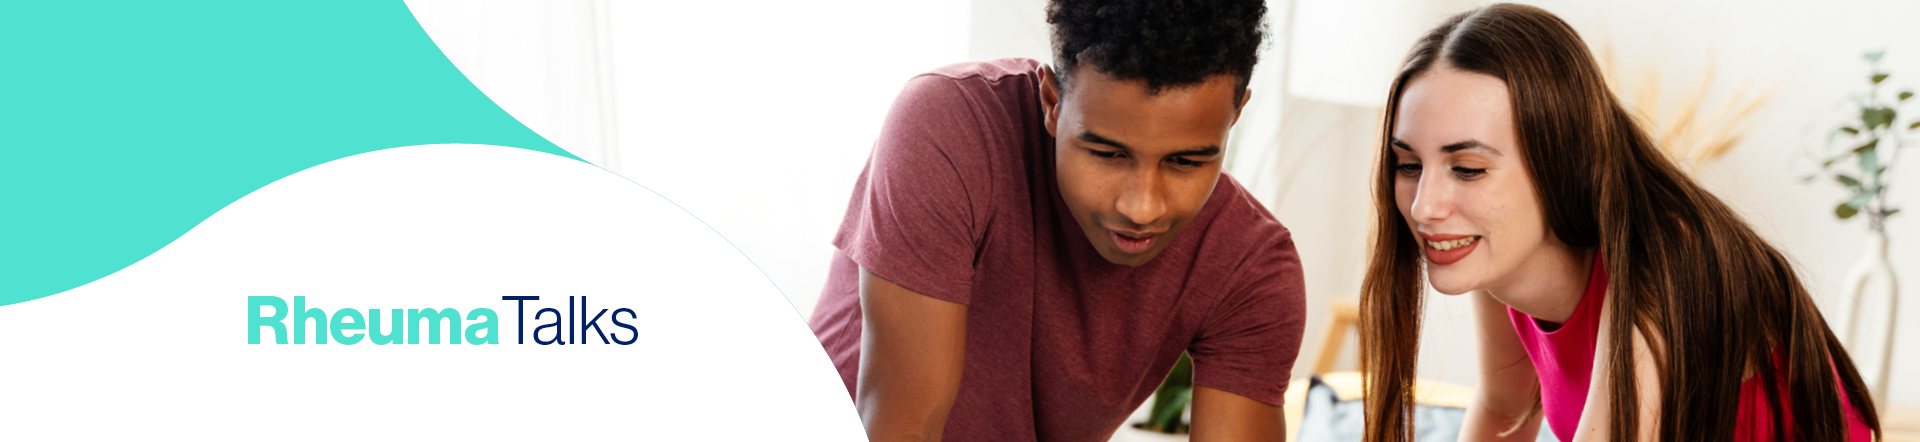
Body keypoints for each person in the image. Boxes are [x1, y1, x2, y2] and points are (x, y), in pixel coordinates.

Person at [1358, 4, 1879, 442]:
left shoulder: (1667, 259)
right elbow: (1502, 412)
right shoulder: (1494, 250)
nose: (1426, 207)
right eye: (1408, 165)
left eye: (1468, 170)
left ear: (1560, 163)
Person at [805, 1, 1306, 440]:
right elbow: (901, 429)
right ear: (1051, 100)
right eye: (1107, 154)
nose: (1142, 207)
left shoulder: (1253, 267)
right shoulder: (950, 127)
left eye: (1185, 162)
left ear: (1235, 114)